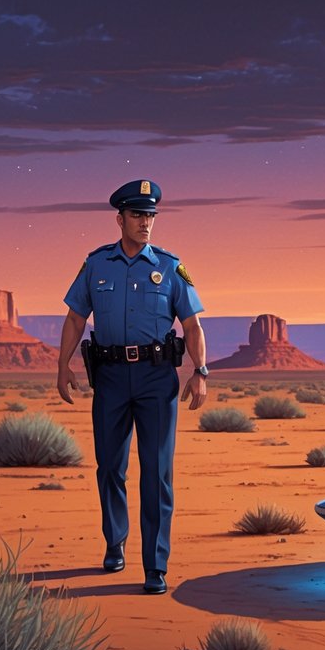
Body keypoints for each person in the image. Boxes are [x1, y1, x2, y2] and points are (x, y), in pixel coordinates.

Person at [56, 179, 209, 594]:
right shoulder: (96, 265)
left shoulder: (171, 267)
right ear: (119, 218)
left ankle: (155, 566)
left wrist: (200, 371)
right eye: (138, 215)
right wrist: (62, 363)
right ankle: (115, 541)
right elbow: (75, 318)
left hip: (157, 378)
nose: (146, 223)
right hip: (109, 377)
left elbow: (192, 324)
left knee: (157, 473)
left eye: (151, 216)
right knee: (110, 467)